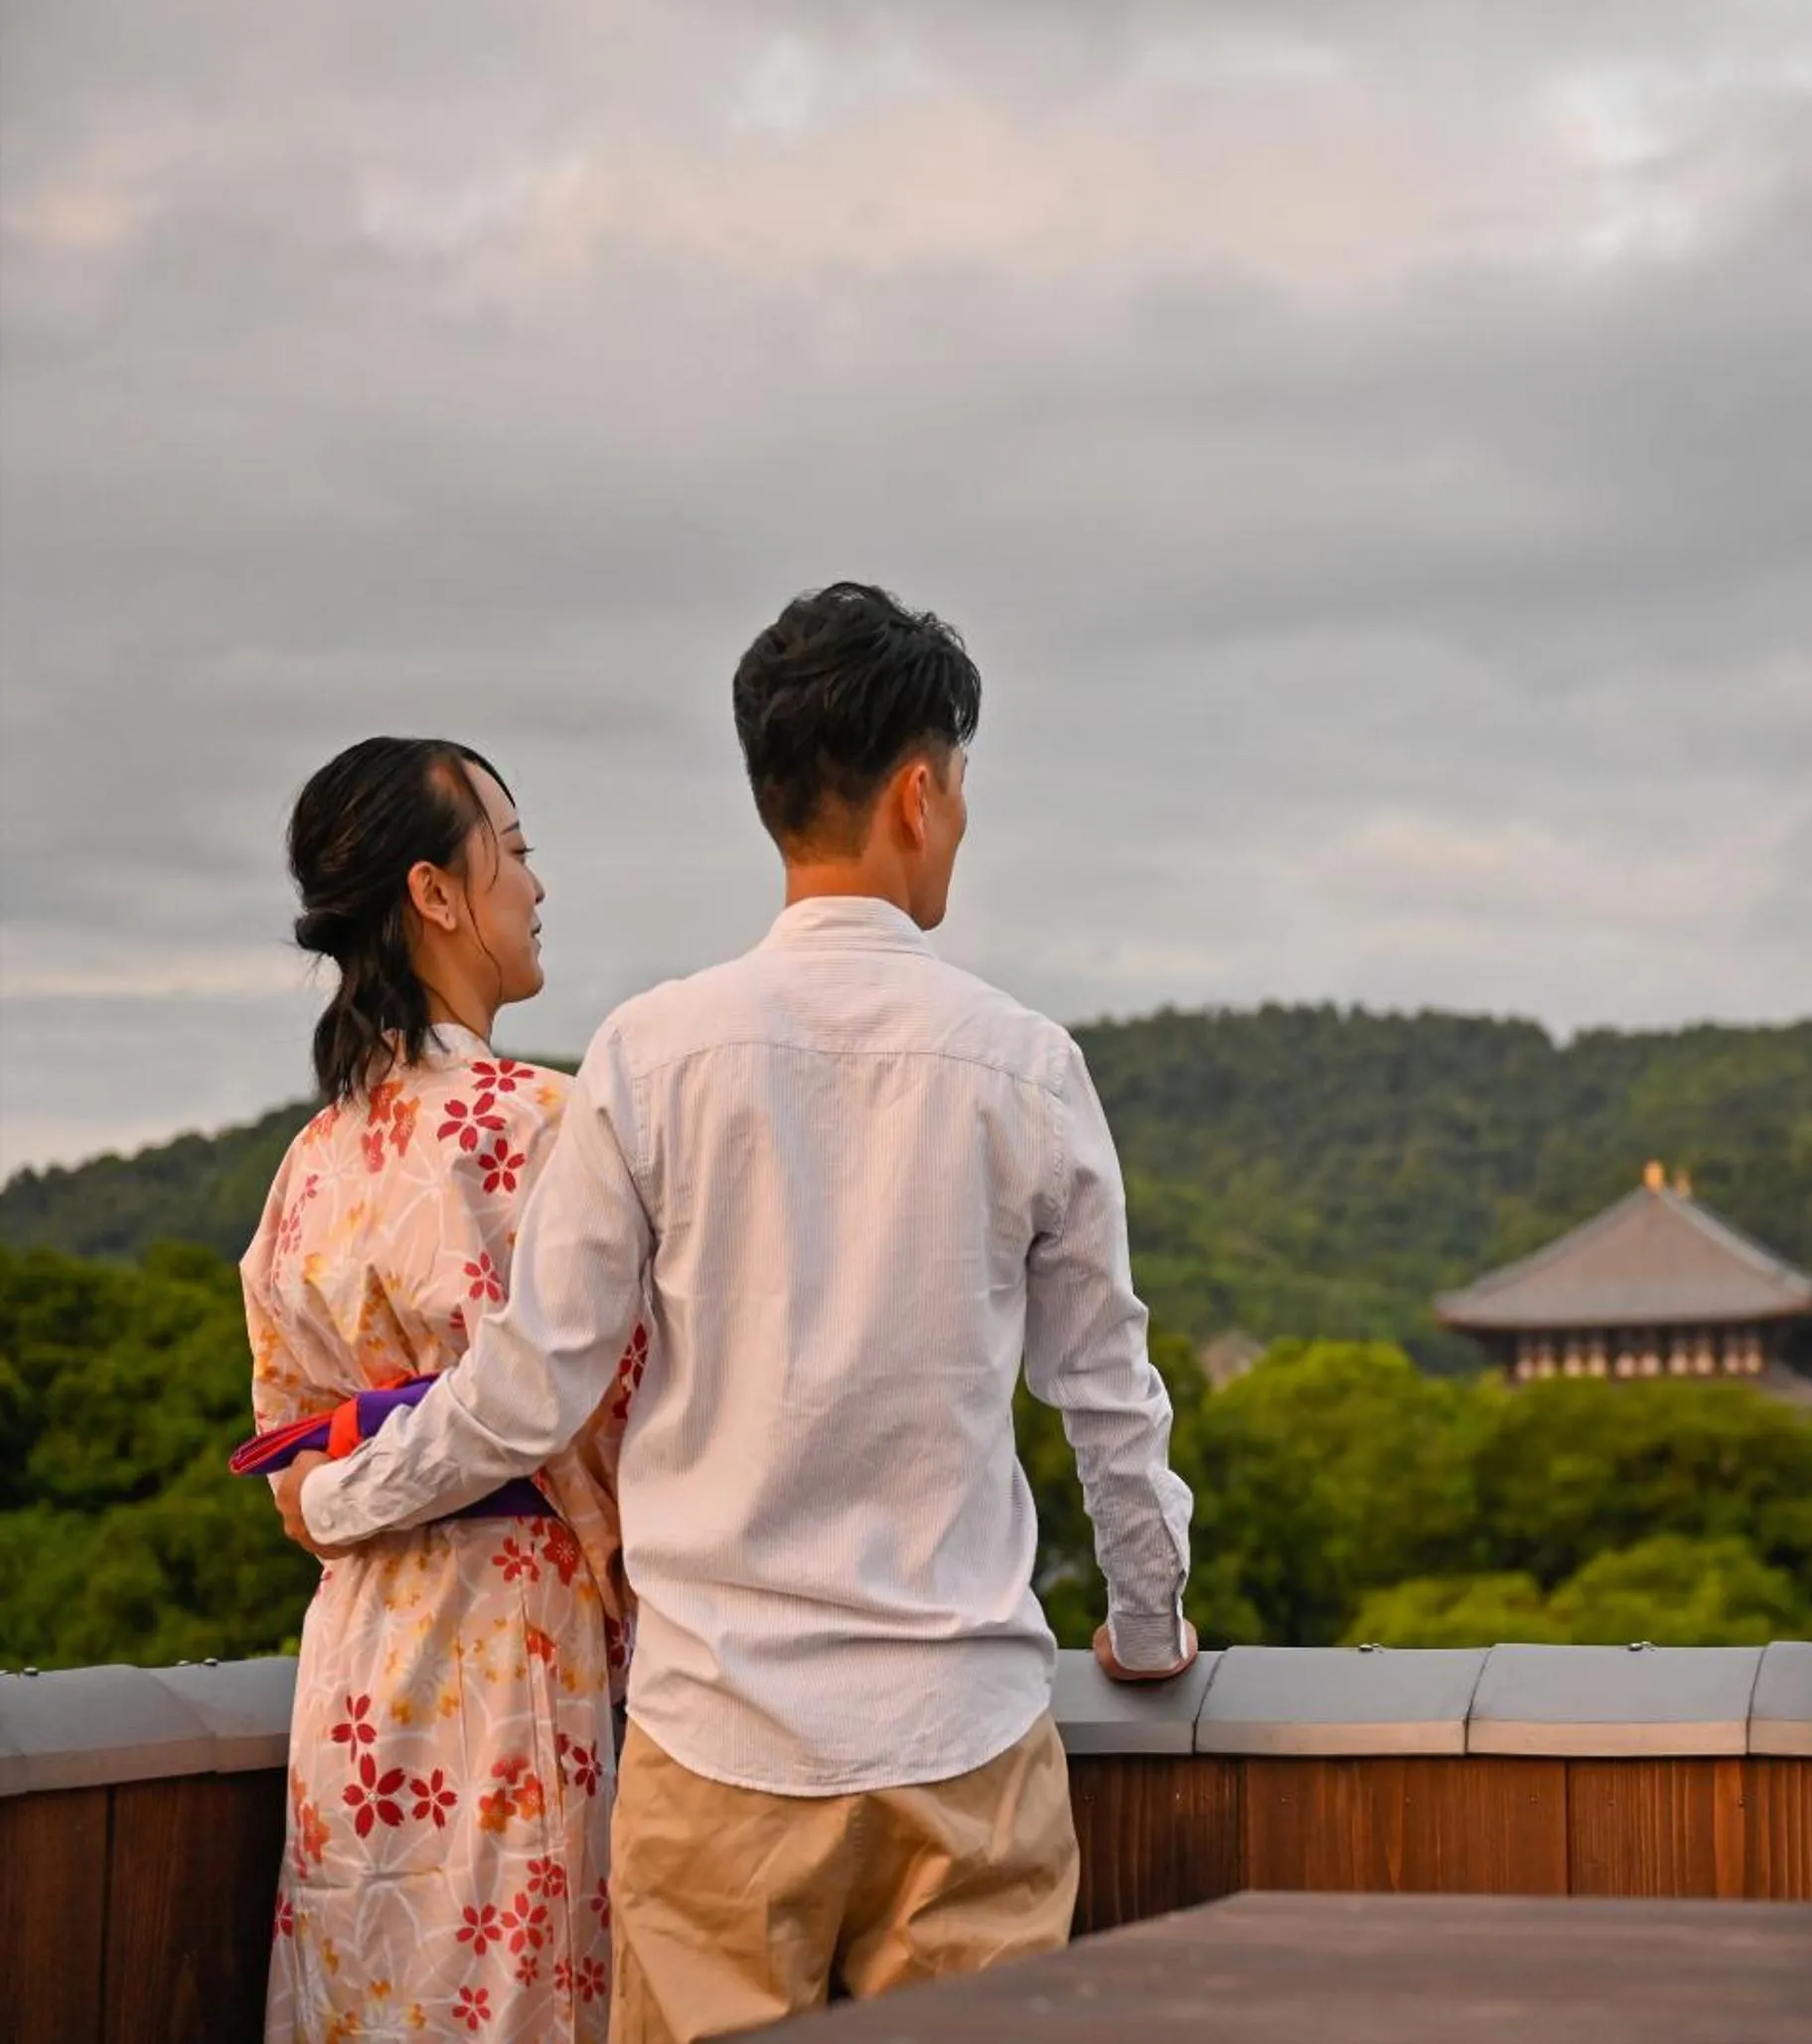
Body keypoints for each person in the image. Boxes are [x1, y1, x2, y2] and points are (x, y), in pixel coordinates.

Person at [276, 582, 1198, 2041]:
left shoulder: (651, 1055)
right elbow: (1106, 1394)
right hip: (963, 1741)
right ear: (916, 791)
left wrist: (343, 1498)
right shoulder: (1028, 1066)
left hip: (717, 1745)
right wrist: (1147, 1622)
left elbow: (530, 1391)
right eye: (956, 784)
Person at [247, 737, 634, 2042]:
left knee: (367, 1997)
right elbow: (623, 1421)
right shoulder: (541, 1122)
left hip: (356, 1657)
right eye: (514, 850)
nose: (536, 884)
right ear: (437, 892)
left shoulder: (312, 1159)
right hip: (516, 1642)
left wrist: (343, 1493)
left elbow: (290, 1456)